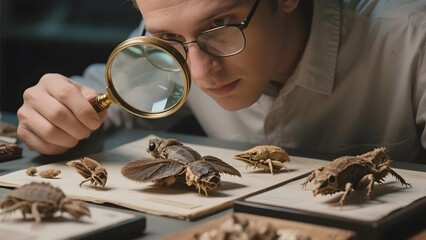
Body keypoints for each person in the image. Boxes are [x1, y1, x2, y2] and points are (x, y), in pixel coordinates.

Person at [17, 0, 426, 163]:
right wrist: (57, 112)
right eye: (170, 39)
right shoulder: (170, 36)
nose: (198, 73)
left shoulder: (413, 41)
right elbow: (104, 101)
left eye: (222, 24)